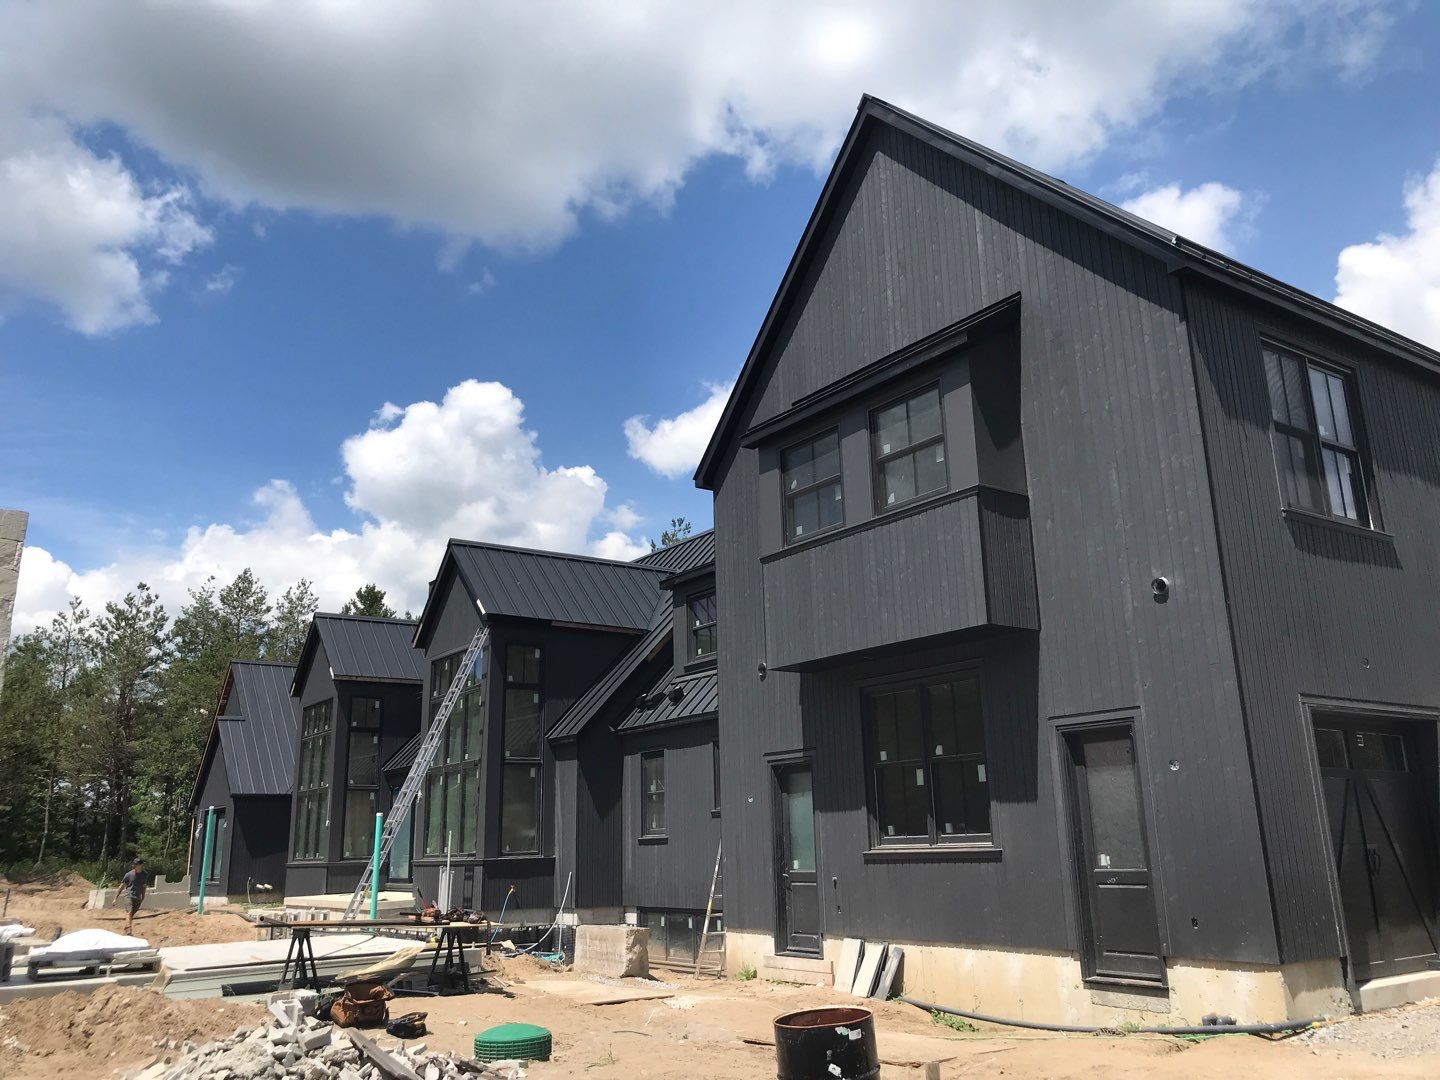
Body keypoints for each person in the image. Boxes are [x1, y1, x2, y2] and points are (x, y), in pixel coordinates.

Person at [116, 857, 149, 935]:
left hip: (137, 898)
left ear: (141, 865)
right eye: (134, 863)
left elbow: (144, 886)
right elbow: (121, 886)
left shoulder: (145, 875)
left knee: (130, 915)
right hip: (128, 896)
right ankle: (129, 931)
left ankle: (126, 931)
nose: (134, 865)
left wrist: (143, 896)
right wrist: (115, 898)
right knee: (129, 912)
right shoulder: (128, 874)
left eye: (136, 864)